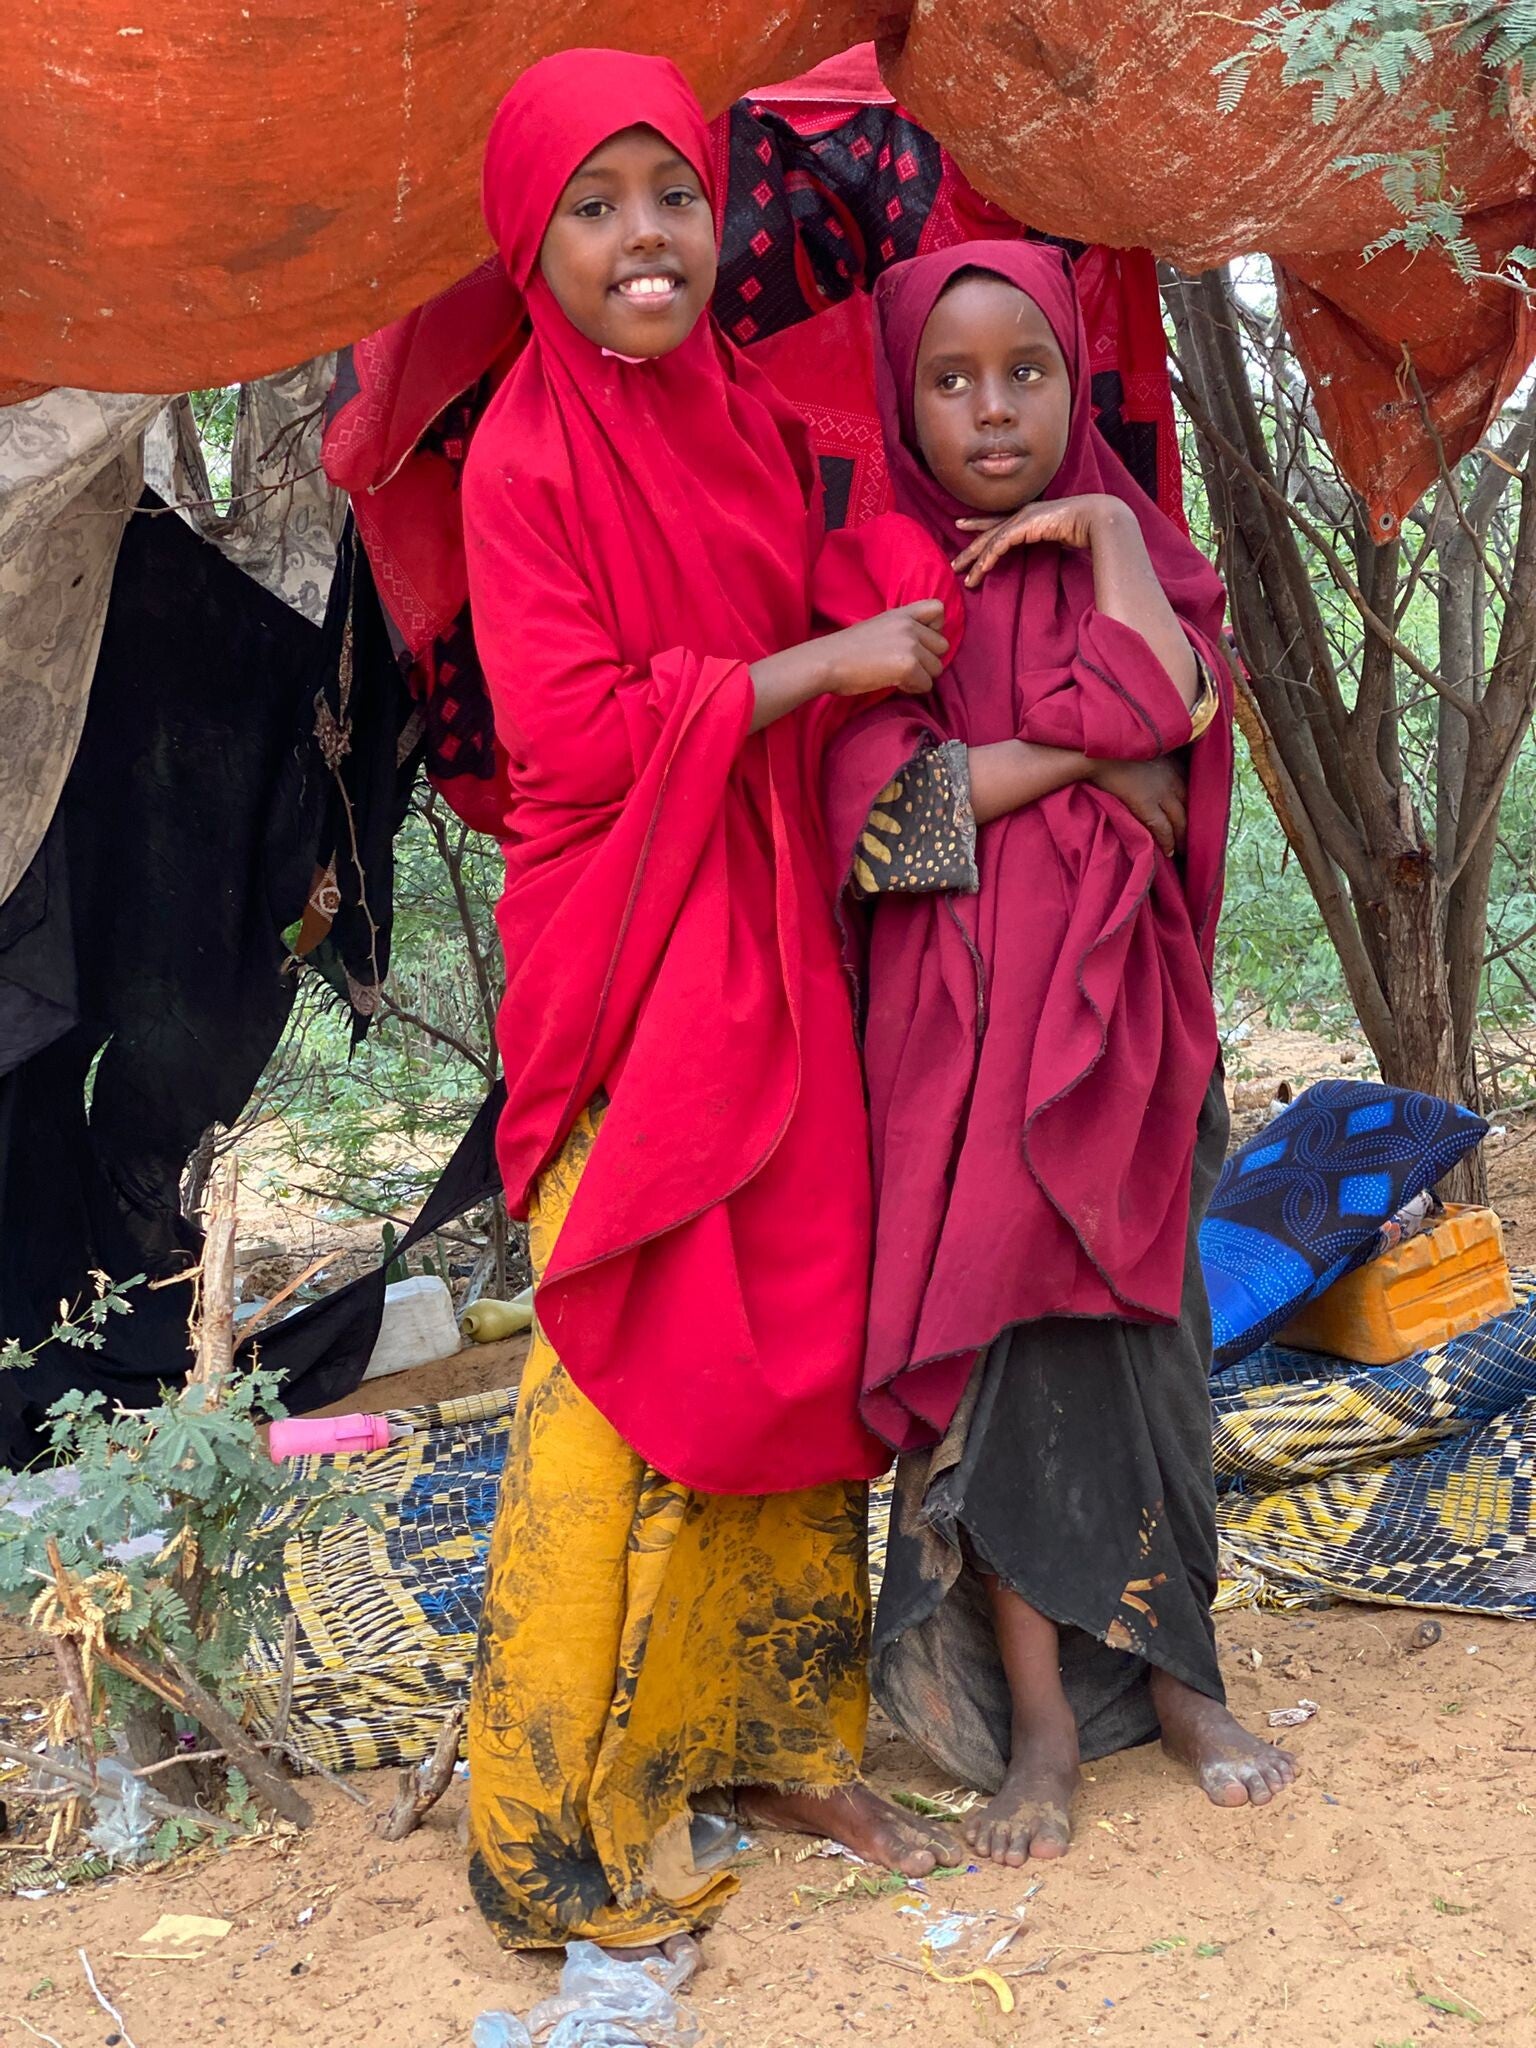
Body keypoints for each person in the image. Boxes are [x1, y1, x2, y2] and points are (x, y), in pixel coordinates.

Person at [459, 50, 965, 1955]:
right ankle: (534, 1819)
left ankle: (769, 1739)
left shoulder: (736, 404)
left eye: (672, 192)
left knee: (793, 1319)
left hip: (764, 915)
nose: (645, 238)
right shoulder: (523, 457)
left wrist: (883, 595)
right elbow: (578, 738)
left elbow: (794, 591)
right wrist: (826, 664)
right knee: (615, 1353)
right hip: (630, 940)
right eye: (592, 208)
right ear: (533, 243)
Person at [819, 241, 1299, 1868]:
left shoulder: (1139, 548)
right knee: (1004, 1370)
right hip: (962, 1063)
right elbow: (895, 822)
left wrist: (1105, 536)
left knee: (1153, 1352)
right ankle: (1038, 1727)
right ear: (904, 401)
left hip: (1129, 1046)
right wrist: (1080, 764)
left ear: (1073, 382)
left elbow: (1170, 701)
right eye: (950, 381)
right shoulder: (884, 578)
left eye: (1026, 372)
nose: (992, 410)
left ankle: (1185, 1682)